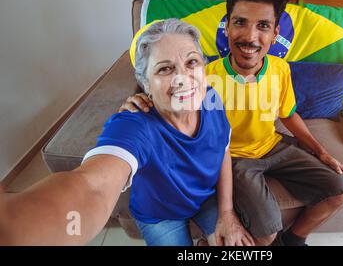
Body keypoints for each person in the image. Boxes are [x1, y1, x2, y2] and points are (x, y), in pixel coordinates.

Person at [121, 0, 343, 246]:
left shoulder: (280, 69)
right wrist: (142, 101)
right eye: (240, 23)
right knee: (266, 232)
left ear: (275, 32)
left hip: (274, 144)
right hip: (236, 159)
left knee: (340, 189)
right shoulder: (205, 77)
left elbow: (288, 114)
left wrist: (322, 153)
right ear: (227, 26)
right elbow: (169, 101)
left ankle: (293, 239)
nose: (250, 37)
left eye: (263, 26)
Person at [0, 19, 253, 246]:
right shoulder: (134, 124)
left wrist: (227, 212)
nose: (183, 77)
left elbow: (223, 150)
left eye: (191, 62)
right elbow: (92, 186)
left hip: (206, 201)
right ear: (146, 85)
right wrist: (14, 229)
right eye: (165, 69)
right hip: (159, 216)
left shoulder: (211, 98)